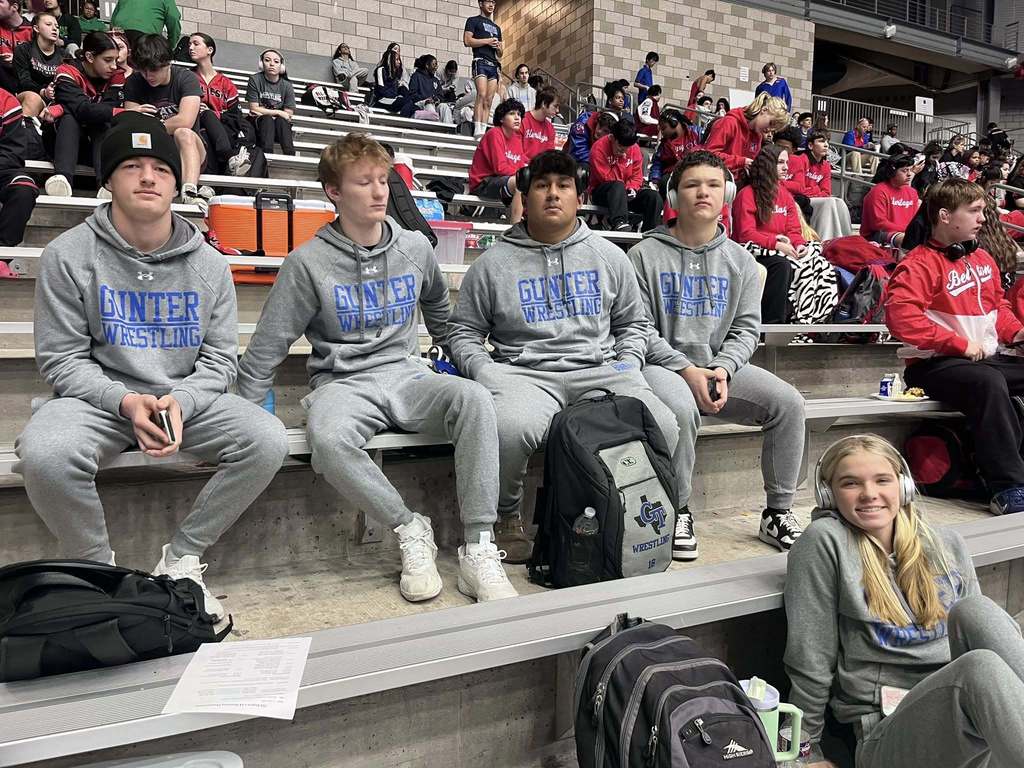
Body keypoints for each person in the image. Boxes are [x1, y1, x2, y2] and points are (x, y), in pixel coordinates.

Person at [14, 112, 289, 619]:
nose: (148, 177)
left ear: (176, 181)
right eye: (132, 167)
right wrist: (124, 400)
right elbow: (62, 359)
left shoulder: (208, 264)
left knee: (267, 439)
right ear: (109, 181)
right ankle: (100, 572)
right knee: (47, 453)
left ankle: (182, 557)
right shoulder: (67, 255)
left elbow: (219, 360)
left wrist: (180, 403)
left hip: (184, 400)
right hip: (97, 400)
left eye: (160, 168)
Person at [237, 133, 517, 603]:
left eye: (383, 180)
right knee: (327, 438)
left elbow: (442, 319)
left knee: (474, 401)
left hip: (407, 374)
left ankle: (479, 547)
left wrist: (477, 366)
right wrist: (247, 409)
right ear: (334, 192)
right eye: (364, 182)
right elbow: (268, 344)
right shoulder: (308, 263)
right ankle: (410, 528)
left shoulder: (415, 249)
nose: (379, 192)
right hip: (342, 382)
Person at [447, 149, 681, 562]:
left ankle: (635, 511)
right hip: (526, 375)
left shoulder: (609, 256)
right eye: (541, 186)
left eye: (563, 186)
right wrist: (485, 371)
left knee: (664, 422)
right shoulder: (493, 263)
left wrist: (627, 363)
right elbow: (463, 332)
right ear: (526, 196)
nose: (552, 195)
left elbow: (634, 324)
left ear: (578, 197)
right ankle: (506, 516)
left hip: (602, 370)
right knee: (507, 427)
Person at [787, 433, 1024, 768]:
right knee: (978, 668)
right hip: (889, 734)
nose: (869, 494)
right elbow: (809, 658)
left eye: (882, 480)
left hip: (975, 726)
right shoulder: (824, 543)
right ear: (828, 493)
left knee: (978, 611)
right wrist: (802, 752)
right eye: (851, 483)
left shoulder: (947, 542)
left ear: (904, 486)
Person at [628, 150, 806, 558]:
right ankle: (678, 509)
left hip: (719, 369)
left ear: (726, 192)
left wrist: (723, 369)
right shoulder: (642, 256)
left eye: (712, 184)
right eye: (691, 185)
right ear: (674, 196)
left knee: (788, 403)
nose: (702, 193)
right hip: (661, 367)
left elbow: (746, 329)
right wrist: (688, 370)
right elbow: (637, 330)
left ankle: (777, 513)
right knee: (680, 409)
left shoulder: (740, 260)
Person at [886, 178, 1024, 514]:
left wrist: (1018, 335)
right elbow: (900, 317)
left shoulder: (983, 261)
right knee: (988, 383)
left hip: (982, 360)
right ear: (945, 215)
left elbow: (997, 311)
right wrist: (957, 343)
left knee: (989, 377)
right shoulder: (918, 263)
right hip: (933, 365)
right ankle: (1008, 488)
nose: (983, 219)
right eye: (974, 211)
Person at [733, 143, 837, 325]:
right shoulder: (747, 194)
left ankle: (809, 322)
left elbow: (794, 230)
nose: (786, 168)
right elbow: (745, 234)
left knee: (821, 265)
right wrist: (775, 243)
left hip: (783, 246)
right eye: (780, 162)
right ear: (767, 164)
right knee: (781, 266)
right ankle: (772, 325)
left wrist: (800, 245)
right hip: (752, 250)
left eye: (786, 162)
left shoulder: (784, 194)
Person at [124, 33, 210, 209]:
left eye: (154, 70)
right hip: (151, 148)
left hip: (187, 150)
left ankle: (189, 190)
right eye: (143, 70)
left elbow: (185, 121)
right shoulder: (134, 81)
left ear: (168, 63)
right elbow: (130, 120)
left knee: (183, 133)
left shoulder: (186, 78)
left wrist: (149, 125)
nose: (148, 75)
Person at [44, 31, 131, 198]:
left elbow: (103, 110)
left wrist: (63, 107)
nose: (114, 66)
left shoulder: (116, 76)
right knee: (71, 118)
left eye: (115, 59)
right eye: (107, 60)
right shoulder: (67, 70)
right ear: (90, 57)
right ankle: (63, 179)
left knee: (100, 120)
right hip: (60, 142)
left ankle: (105, 185)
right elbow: (81, 110)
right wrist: (120, 112)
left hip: (97, 144)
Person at [188, 33, 250, 177]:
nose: (191, 48)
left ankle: (210, 185)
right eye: (189, 45)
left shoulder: (226, 83)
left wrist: (214, 113)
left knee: (208, 117)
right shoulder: (187, 77)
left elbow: (236, 116)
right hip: (195, 125)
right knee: (203, 127)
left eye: (196, 44)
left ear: (210, 50)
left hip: (223, 129)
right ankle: (230, 157)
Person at [589, 119, 662, 232]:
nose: (625, 151)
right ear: (613, 138)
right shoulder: (598, 148)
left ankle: (650, 232)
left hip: (626, 192)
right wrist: (621, 160)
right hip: (604, 192)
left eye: (627, 148)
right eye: (621, 147)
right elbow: (605, 178)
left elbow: (637, 176)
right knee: (617, 186)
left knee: (653, 197)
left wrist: (632, 189)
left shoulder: (634, 148)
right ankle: (619, 222)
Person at [703, 91, 789, 180]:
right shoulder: (729, 123)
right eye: (771, 123)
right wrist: (741, 162)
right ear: (764, 110)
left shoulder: (757, 135)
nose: (769, 130)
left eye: (773, 129)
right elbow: (708, 156)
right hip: (717, 180)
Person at [468, 97, 526, 222]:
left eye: (519, 114)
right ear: (501, 119)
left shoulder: (517, 139)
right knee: (521, 181)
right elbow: (499, 168)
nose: (517, 117)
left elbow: (520, 166)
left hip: (504, 181)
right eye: (512, 114)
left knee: (532, 183)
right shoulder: (494, 133)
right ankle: (515, 228)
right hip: (483, 183)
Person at [798, 128, 854, 241]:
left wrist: (812, 190)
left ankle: (847, 239)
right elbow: (799, 189)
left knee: (840, 202)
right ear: (810, 145)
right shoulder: (801, 160)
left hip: (815, 198)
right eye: (821, 141)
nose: (826, 145)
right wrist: (816, 189)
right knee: (829, 202)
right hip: (801, 200)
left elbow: (826, 192)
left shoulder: (826, 166)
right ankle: (825, 241)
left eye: (827, 141)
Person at [0, 85, 38, 247]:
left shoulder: (7, 101)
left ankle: (2, 255)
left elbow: (13, 152)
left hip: (2, 168)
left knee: (24, 187)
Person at [860, 153, 920, 249]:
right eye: (904, 171)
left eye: (910, 170)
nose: (909, 174)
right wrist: (909, 230)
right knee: (906, 239)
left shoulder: (912, 192)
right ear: (892, 172)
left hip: (905, 233)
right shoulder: (878, 191)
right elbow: (879, 224)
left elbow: (916, 220)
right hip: (878, 236)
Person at [245, 48, 295, 159]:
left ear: (281, 66)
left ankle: (290, 156)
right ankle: (266, 156)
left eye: (276, 61)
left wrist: (272, 113)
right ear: (261, 64)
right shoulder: (255, 79)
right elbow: (254, 108)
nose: (271, 64)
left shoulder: (287, 85)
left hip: (279, 126)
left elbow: (288, 114)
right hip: (259, 125)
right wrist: (278, 112)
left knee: (281, 121)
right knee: (267, 119)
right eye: (267, 60)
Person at [464, 0, 501, 138]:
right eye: (488, 1)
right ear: (480, 3)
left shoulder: (497, 28)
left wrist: (498, 47)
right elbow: (467, 41)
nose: (491, 5)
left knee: (489, 99)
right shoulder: (473, 21)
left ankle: (483, 129)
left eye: (493, 2)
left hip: (493, 64)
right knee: (481, 94)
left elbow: (501, 53)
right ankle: (477, 128)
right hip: (480, 61)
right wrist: (487, 41)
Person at [12, 9, 60, 117]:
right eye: (48, 24)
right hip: (29, 95)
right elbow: (23, 81)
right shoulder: (23, 50)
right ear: (36, 28)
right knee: (33, 99)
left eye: (57, 27)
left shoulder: (64, 56)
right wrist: (43, 92)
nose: (54, 29)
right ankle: (25, 132)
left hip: (55, 101)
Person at [648, 107, 700, 196]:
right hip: (673, 176)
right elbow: (658, 163)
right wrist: (654, 180)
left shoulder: (696, 133)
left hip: (695, 171)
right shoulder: (664, 145)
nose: (662, 132)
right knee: (664, 182)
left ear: (674, 123)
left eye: (664, 128)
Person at [110, 0, 180, 49]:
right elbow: (174, 18)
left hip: (119, 33)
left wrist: (112, 36)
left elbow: (113, 18)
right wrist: (170, 46)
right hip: (146, 37)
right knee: (144, 67)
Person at [0, 0, 33, 96]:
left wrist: (17, 59)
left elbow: (40, 61)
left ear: (14, 7)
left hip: (24, 80)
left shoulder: (32, 30)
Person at [406, 53, 452, 122]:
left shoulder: (436, 80)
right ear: (427, 65)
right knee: (429, 105)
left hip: (434, 104)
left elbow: (441, 96)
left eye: (436, 64)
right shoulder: (416, 76)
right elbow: (412, 95)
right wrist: (426, 99)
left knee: (444, 107)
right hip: (420, 104)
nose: (436, 67)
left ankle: (449, 131)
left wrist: (437, 99)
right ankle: (434, 129)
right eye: (434, 64)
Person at [371, 41, 411, 117]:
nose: (399, 62)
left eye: (399, 60)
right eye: (397, 60)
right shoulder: (381, 70)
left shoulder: (397, 74)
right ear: (391, 59)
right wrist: (395, 95)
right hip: (382, 100)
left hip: (392, 100)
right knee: (406, 102)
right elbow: (381, 90)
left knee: (411, 103)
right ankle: (404, 123)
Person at [520, 85, 557, 160]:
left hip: (541, 169)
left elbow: (550, 156)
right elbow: (516, 151)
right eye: (555, 106)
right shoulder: (522, 121)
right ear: (544, 104)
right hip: (521, 167)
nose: (557, 111)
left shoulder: (550, 128)